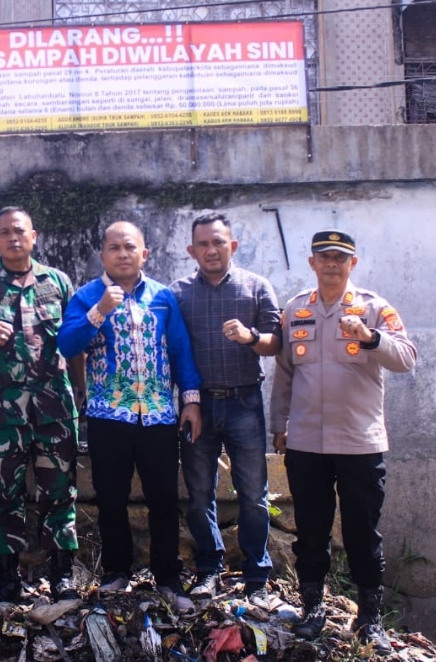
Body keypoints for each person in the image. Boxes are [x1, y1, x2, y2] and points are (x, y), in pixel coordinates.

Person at [269, 230, 417, 653]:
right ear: (312, 263)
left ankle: (369, 618)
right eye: (324, 257)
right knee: (311, 530)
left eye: (340, 258)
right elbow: (284, 372)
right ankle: (312, 608)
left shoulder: (374, 307)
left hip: (359, 442)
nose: (332, 264)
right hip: (306, 442)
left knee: (361, 531)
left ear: (353, 264)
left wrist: (372, 338)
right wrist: (279, 422)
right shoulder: (295, 310)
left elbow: (407, 357)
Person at [58, 221, 202, 613]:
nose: (122, 253)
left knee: (163, 498)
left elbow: (180, 350)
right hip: (108, 417)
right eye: (114, 248)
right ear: (103, 255)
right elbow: (67, 343)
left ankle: (168, 578)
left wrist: (190, 400)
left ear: (144, 253)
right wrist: (99, 312)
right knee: (111, 499)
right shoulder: (87, 295)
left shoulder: (163, 297)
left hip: (157, 416)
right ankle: (117, 572)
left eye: (130, 247)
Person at [0, 207, 82, 603]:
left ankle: (61, 575)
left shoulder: (58, 282)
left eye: (20, 231)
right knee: (4, 494)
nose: (13, 238)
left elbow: (75, 341)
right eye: (5, 232)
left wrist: (80, 391)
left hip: (56, 410)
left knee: (59, 491)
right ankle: (8, 579)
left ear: (34, 236)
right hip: (3, 414)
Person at [170, 213, 281, 603]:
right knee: (200, 495)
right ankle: (209, 568)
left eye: (218, 242)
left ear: (232, 245)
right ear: (191, 250)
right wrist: (188, 400)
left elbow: (276, 342)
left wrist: (251, 337)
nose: (211, 250)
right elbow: (173, 351)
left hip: (244, 403)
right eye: (203, 244)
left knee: (253, 494)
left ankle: (256, 577)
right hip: (197, 405)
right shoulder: (179, 293)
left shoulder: (256, 287)